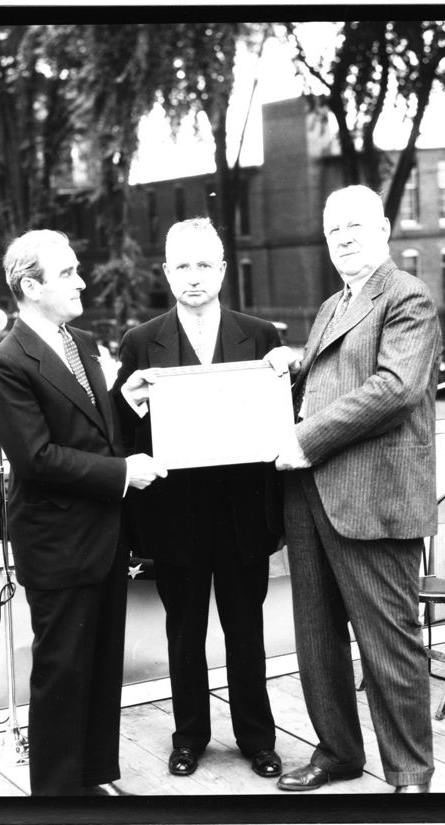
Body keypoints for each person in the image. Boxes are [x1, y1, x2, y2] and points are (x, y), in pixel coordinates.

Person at [0, 229, 166, 797]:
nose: (81, 280)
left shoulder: (80, 342)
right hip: (57, 544)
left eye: (76, 269)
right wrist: (122, 473)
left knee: (103, 664)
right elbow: (36, 458)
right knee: (62, 673)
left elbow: (91, 422)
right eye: (66, 274)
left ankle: (94, 776)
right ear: (30, 287)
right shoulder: (7, 364)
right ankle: (57, 797)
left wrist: (124, 402)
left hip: (104, 536)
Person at [273, 185, 439, 794]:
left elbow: (394, 389)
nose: (343, 238)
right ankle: (338, 752)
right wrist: (287, 368)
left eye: (356, 226)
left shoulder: (408, 297)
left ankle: (410, 775)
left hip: (374, 498)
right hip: (312, 497)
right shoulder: (329, 307)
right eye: (333, 229)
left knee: (388, 643)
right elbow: (334, 378)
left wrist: (306, 439)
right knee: (317, 639)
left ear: (385, 229)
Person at [112, 218, 290, 781]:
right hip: (176, 517)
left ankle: (257, 737)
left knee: (247, 632)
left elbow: (282, 420)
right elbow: (125, 433)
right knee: (184, 633)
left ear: (222, 269)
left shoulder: (261, 336)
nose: (194, 276)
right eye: (182, 265)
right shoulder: (141, 342)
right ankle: (188, 735)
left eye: (204, 265)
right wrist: (130, 401)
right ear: (166, 272)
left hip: (243, 514)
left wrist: (288, 378)